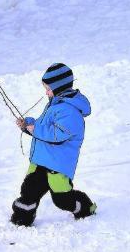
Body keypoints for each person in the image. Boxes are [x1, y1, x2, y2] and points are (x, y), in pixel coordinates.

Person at [10, 62, 96, 226]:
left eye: (48, 88)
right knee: (29, 190)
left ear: (60, 87)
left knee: (62, 199)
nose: (46, 92)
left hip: (57, 165)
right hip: (41, 161)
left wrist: (35, 129)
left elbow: (57, 135)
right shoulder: (54, 105)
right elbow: (45, 127)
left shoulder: (70, 111)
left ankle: (84, 207)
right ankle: (22, 218)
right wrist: (27, 125)